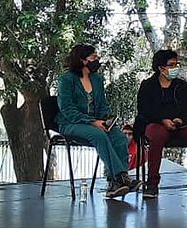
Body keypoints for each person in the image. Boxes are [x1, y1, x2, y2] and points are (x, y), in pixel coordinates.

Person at [134, 49, 187, 199]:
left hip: (180, 124)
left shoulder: (182, 86)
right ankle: (152, 184)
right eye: (171, 65)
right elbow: (144, 109)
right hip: (156, 123)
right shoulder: (148, 85)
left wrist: (180, 119)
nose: (175, 67)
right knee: (157, 136)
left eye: (176, 64)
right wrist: (162, 119)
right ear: (161, 68)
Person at [56, 44, 132, 199]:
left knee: (119, 137)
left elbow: (102, 105)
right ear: (82, 60)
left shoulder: (97, 79)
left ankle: (114, 184)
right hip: (71, 124)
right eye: (93, 57)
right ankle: (121, 178)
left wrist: (106, 120)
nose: (97, 60)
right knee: (98, 135)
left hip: (95, 123)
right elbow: (67, 109)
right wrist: (91, 122)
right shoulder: (66, 79)